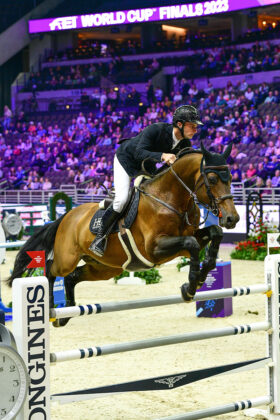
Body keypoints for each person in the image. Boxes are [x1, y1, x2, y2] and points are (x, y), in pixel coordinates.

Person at [89, 104, 203, 256]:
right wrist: (163, 156)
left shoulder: (185, 144)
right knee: (122, 199)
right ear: (179, 124)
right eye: (192, 126)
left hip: (147, 166)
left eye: (196, 126)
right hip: (127, 159)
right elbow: (139, 152)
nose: (195, 130)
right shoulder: (156, 129)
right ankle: (100, 238)